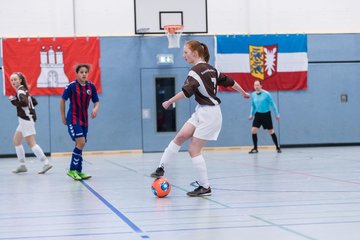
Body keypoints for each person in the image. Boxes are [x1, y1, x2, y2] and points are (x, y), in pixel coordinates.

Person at [150, 40, 250, 197]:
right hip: (201, 111)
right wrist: (243, 92)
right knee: (181, 136)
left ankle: (205, 187)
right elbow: (231, 82)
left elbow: (186, 93)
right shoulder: (212, 69)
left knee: (193, 149)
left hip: (210, 114)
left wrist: (169, 101)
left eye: (185, 52)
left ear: (195, 54)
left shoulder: (195, 72)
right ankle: (161, 167)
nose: (183, 55)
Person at [60, 64, 100, 180]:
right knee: (81, 142)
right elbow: (62, 100)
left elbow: (96, 101)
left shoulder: (91, 86)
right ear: (77, 73)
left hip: (84, 119)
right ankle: (72, 170)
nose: (83, 74)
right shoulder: (71, 86)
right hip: (73, 118)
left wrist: (95, 109)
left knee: (79, 144)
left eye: (85, 72)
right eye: (81, 72)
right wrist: (63, 117)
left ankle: (79, 171)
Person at [9, 72, 53, 174]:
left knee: (31, 143)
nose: (13, 82)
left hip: (26, 119)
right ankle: (22, 165)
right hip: (25, 119)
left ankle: (46, 163)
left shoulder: (20, 91)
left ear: (20, 80)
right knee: (16, 141)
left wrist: (13, 101)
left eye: (15, 79)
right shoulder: (24, 90)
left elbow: (24, 103)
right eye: (11, 80)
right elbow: (35, 102)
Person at [248, 79, 281, 153]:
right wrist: (251, 114)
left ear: (261, 86)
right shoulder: (253, 95)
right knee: (253, 130)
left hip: (266, 115)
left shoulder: (267, 94)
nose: (256, 87)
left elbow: (273, 104)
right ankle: (255, 148)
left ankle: (277, 147)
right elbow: (253, 105)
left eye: (257, 85)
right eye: (255, 85)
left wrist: (277, 114)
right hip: (258, 115)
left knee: (271, 131)